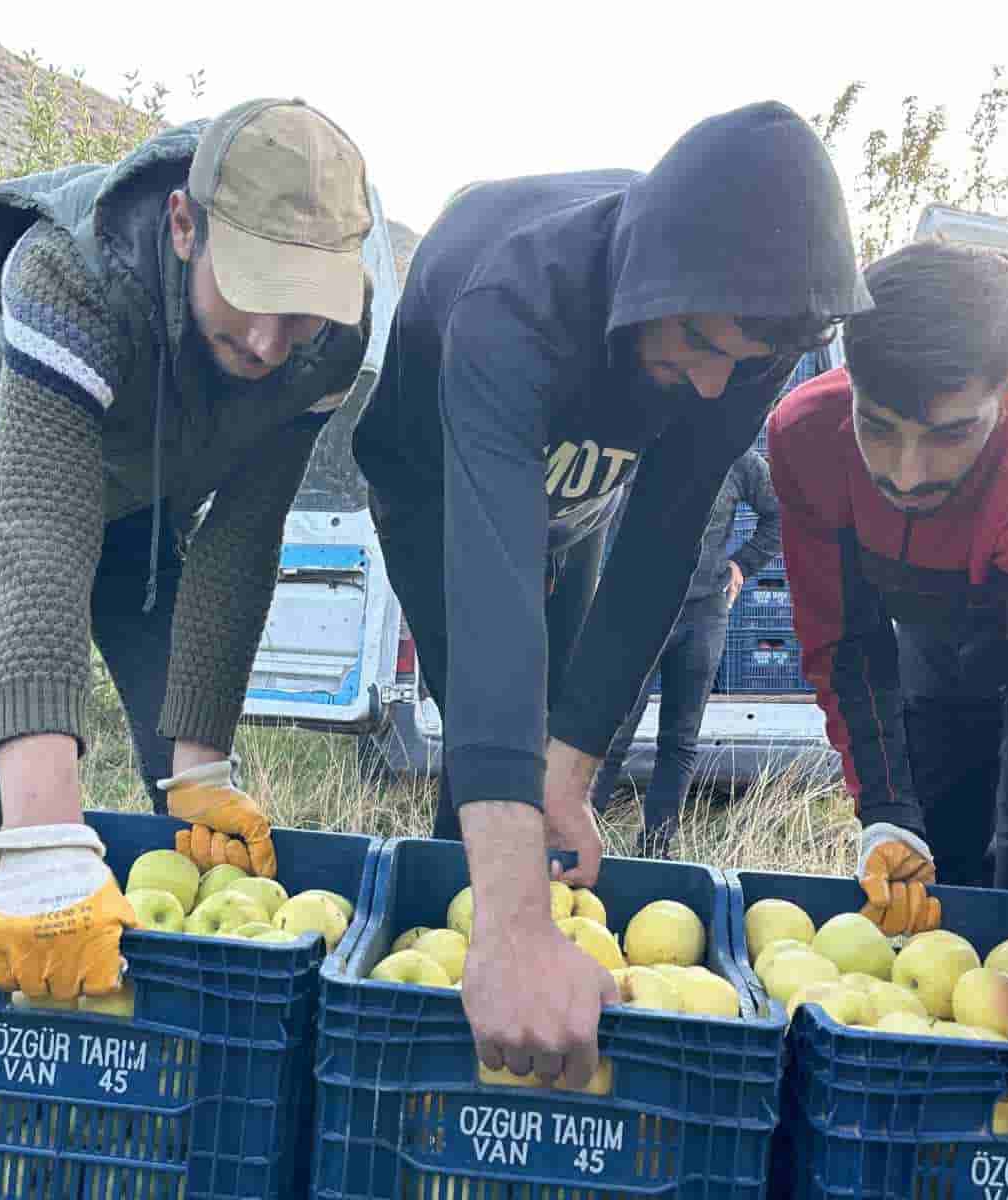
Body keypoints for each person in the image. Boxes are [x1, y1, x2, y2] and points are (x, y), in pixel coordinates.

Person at [351, 100, 868, 1089]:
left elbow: (661, 541)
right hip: (438, 488)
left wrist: (572, 770)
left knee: (549, 739)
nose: (717, 389)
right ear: (650, 283)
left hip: (575, 493)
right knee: (484, 721)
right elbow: (493, 592)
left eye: (744, 362)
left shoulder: (737, 332)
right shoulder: (514, 299)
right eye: (700, 345)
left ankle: (512, 918)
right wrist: (510, 924)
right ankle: (474, 963)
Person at [0, 98, 375, 1002]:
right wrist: (40, 840)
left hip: (133, 496)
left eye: (299, 310)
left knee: (175, 762)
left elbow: (241, 538)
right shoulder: (70, 268)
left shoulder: (327, 344)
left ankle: (161, 1015)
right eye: (254, 293)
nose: (270, 343)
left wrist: (200, 765)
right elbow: (40, 533)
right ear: (186, 226)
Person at [766, 239, 1008, 1126]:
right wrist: (883, 808)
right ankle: (941, 1113)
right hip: (931, 652)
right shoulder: (806, 436)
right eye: (880, 426)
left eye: (949, 433)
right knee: (931, 872)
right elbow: (843, 641)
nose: (906, 474)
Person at [589, 449, 782, 856]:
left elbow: (779, 514)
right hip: (635, 611)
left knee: (679, 740)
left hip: (703, 615)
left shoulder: (738, 456)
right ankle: (579, 841)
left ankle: (655, 851)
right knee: (610, 732)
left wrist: (742, 564)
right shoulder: (640, 437)